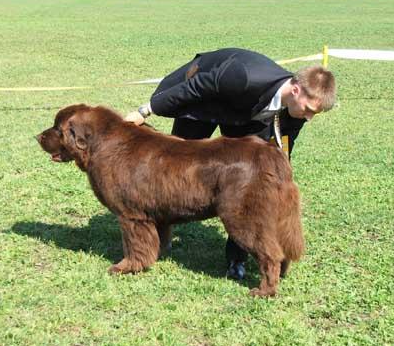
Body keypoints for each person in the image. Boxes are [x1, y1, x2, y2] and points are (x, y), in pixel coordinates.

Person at [126, 47, 336, 280]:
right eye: (308, 110)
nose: (309, 117)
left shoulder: (296, 110)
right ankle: (158, 232)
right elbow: (193, 88)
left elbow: (283, 147)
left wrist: (279, 180)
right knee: (178, 168)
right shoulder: (245, 77)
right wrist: (144, 111)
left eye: (314, 113)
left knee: (244, 186)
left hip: (244, 116)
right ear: (296, 90)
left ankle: (237, 258)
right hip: (201, 103)